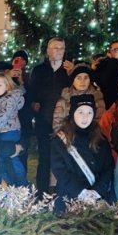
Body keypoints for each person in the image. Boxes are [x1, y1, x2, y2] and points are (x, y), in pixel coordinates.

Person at [51, 94, 115, 212]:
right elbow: (60, 170)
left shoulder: (100, 139)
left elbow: (108, 167)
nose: (85, 117)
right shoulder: (60, 140)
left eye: (89, 112)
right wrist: (81, 192)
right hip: (70, 197)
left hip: (96, 198)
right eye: (80, 112)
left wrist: (96, 191)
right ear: (72, 113)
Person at [27, 37, 74, 194]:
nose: (58, 51)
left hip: (63, 122)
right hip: (44, 120)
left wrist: (72, 73)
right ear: (48, 50)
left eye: (61, 48)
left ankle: (63, 192)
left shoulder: (69, 70)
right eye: (55, 48)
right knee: (44, 159)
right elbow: (32, 91)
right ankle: (41, 193)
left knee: (64, 158)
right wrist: (34, 103)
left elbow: (75, 91)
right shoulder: (39, 70)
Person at [0, 72, 27, 185]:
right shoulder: (1, 99)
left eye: (0, 85)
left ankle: (17, 180)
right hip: (7, 131)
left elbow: (4, 115)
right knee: (10, 156)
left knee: (5, 155)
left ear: (7, 85)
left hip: (8, 131)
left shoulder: (9, 99)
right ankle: (13, 180)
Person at [52, 63, 105, 132]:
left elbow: (101, 121)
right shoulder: (64, 99)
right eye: (78, 78)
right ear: (73, 81)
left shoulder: (97, 98)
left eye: (86, 77)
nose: (82, 81)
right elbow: (57, 123)